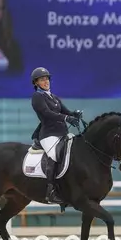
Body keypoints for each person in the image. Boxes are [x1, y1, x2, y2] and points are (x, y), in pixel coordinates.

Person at [30, 67, 82, 204]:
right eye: (42, 79)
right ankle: (50, 190)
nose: (46, 81)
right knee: (54, 155)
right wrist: (66, 118)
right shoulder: (37, 97)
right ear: (36, 83)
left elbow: (66, 111)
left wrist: (74, 114)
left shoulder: (54, 97)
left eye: (47, 78)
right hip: (48, 135)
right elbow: (47, 113)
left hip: (63, 133)